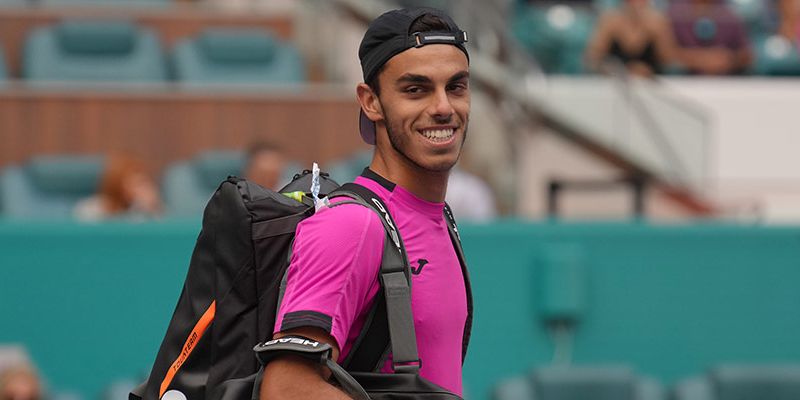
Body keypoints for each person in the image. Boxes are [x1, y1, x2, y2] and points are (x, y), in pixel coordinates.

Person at [261, 7, 471, 399]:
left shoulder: (439, 215)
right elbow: (286, 389)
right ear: (370, 101)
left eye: (456, 87)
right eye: (416, 89)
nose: (444, 107)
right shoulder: (350, 226)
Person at [585, 0, 679, 77]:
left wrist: (658, 36)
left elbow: (668, 60)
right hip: (613, 82)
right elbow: (591, 59)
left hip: (648, 83)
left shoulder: (658, 23)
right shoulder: (609, 21)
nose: (636, 5)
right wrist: (616, 69)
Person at [668, 0, 753, 75]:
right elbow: (667, 55)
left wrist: (729, 60)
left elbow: (747, 55)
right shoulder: (675, 13)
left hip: (725, 80)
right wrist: (699, 60)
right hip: (685, 79)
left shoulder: (730, 14)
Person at [74, 154, 162, 222]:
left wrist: (152, 208)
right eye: (135, 184)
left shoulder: (148, 210)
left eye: (143, 182)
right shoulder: (92, 208)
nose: (143, 189)